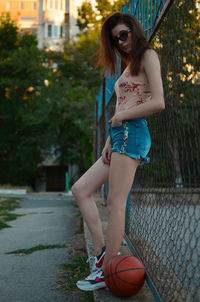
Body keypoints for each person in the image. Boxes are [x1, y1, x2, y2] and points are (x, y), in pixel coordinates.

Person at [71, 12, 165, 291]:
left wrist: (121, 121)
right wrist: (109, 139)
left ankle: (107, 270)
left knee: (115, 203)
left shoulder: (148, 55)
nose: (121, 42)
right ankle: (102, 256)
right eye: (115, 40)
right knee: (80, 189)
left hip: (132, 132)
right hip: (120, 135)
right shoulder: (128, 64)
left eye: (124, 34)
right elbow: (122, 102)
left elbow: (159, 102)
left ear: (134, 29)